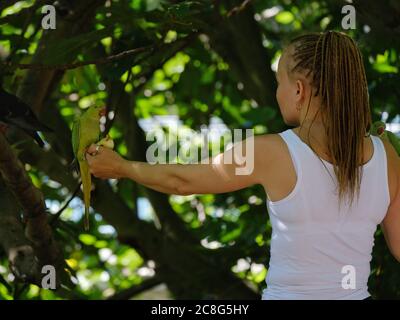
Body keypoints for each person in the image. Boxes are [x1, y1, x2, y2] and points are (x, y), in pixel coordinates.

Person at [85, 31, 400, 300]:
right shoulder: (385, 156)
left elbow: (184, 182)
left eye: (279, 81)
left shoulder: (274, 151)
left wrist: (121, 167)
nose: (277, 92)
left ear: (299, 90)